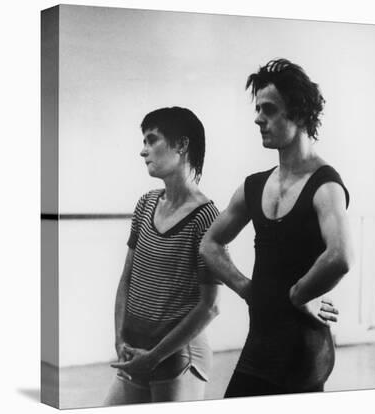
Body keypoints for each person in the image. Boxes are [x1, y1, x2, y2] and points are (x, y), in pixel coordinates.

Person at [200, 58, 351, 397]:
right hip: (262, 342)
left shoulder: (325, 185)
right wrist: (246, 288)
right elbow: (210, 244)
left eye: (268, 110)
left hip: (304, 350)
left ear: (296, 113)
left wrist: (300, 294)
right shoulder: (254, 187)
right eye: (258, 109)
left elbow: (340, 256)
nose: (258, 119)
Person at [104, 107, 221, 405]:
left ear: (181, 145)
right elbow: (127, 279)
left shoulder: (206, 217)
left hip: (178, 358)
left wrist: (155, 357)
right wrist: (120, 339)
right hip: (136, 352)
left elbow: (210, 306)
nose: (142, 151)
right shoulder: (145, 204)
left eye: (151, 140)